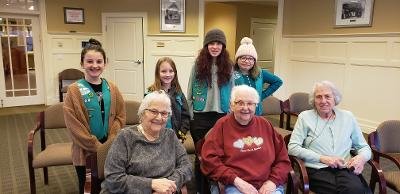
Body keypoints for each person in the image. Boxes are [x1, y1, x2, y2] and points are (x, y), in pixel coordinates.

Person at [201, 85, 292, 194]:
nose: (245, 108)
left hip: (268, 184)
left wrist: (273, 181)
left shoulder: (265, 124)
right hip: (234, 185)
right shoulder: (222, 125)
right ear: (231, 105)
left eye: (250, 103)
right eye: (240, 103)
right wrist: (236, 181)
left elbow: (283, 159)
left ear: (256, 106)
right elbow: (209, 160)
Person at [63, 38, 126, 194]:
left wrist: (110, 142)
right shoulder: (73, 90)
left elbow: (120, 116)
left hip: (110, 147)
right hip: (85, 151)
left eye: (99, 61)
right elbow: (73, 125)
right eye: (89, 61)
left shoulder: (112, 87)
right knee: (88, 187)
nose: (95, 65)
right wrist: (97, 147)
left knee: (109, 186)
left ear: (105, 63)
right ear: (82, 63)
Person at [287, 81, 372, 194]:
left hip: (344, 168)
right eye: (319, 97)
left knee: (356, 190)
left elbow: (364, 147)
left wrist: (361, 158)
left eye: (327, 96)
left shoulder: (348, 117)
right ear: (314, 100)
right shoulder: (305, 117)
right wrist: (322, 158)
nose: (323, 101)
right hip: (317, 168)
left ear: (334, 99)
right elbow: (292, 147)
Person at [101, 90, 192, 193]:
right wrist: (151, 184)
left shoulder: (170, 136)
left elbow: (186, 166)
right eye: (154, 111)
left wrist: (168, 185)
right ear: (142, 113)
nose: (159, 117)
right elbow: (113, 178)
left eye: (164, 113)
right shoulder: (125, 137)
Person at [187, 28, 234, 193]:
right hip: (200, 116)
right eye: (211, 43)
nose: (215, 46)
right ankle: (200, 188)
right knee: (200, 156)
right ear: (206, 46)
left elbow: (233, 92)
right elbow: (190, 91)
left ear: (223, 46)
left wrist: (230, 113)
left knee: (219, 155)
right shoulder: (197, 65)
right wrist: (192, 115)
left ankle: (215, 186)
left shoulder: (229, 66)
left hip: (221, 116)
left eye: (218, 43)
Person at [233, 37, 282, 115]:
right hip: (236, 112)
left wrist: (261, 96)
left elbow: (278, 81)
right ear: (237, 59)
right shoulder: (230, 73)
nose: (247, 61)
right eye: (243, 58)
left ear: (254, 61)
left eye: (250, 59)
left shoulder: (260, 73)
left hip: (255, 112)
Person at [147, 57, 190, 143]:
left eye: (171, 71)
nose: (168, 74)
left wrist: (181, 135)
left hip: (175, 137)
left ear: (175, 73)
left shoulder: (179, 93)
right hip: (156, 137)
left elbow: (186, 116)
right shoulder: (151, 93)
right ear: (157, 73)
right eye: (163, 71)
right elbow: (146, 118)